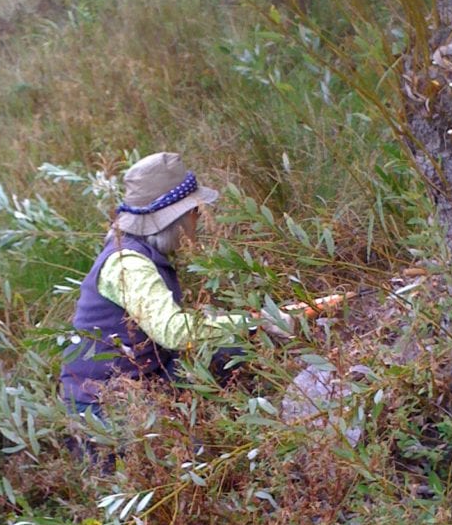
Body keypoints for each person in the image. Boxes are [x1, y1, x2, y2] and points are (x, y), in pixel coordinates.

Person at [60, 151, 293, 422]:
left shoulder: (138, 252)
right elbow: (173, 332)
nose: (199, 220)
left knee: (231, 347)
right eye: (194, 212)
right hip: (102, 405)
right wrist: (254, 323)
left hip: (141, 380)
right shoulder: (128, 264)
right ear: (174, 220)